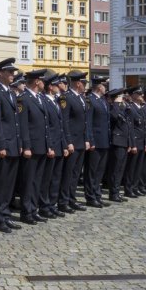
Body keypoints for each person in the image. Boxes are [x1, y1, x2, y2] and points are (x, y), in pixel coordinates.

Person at [0, 59, 21, 233]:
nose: (12, 75)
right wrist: (0, 144)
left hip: (14, 144)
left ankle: (6, 214)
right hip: (4, 145)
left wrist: (19, 143)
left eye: (12, 72)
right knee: (0, 183)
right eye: (9, 72)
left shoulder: (11, 93)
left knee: (9, 184)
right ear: (0, 73)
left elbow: (15, 122)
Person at [18, 69, 51, 224]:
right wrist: (26, 146)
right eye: (43, 80)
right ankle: (26, 212)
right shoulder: (24, 99)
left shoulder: (40, 99)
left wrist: (48, 145)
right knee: (28, 181)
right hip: (31, 146)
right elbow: (23, 125)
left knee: (37, 180)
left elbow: (45, 126)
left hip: (41, 145)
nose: (45, 83)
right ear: (37, 81)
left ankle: (34, 208)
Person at [58, 70, 88, 214]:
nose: (85, 85)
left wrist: (86, 139)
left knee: (76, 173)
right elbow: (64, 122)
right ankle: (63, 201)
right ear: (78, 83)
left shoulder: (81, 98)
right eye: (84, 83)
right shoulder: (66, 97)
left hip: (81, 141)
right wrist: (68, 141)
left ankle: (71, 198)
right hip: (72, 142)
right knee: (68, 173)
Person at [39, 73, 68, 218]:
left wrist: (64, 145)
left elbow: (60, 126)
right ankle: (44, 206)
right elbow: (47, 127)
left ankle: (52, 203)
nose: (59, 87)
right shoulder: (44, 101)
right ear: (50, 87)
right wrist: (49, 146)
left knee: (56, 177)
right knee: (47, 178)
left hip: (59, 145)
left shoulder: (55, 101)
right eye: (56, 85)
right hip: (51, 145)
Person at [84, 76, 111, 208]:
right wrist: (90, 140)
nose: (105, 87)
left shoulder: (103, 101)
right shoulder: (90, 100)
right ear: (99, 87)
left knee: (100, 171)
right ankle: (90, 196)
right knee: (92, 171)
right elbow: (88, 122)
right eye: (104, 85)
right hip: (95, 140)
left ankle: (97, 194)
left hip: (104, 141)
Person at [123, 86, 146, 197]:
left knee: (139, 167)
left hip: (142, 142)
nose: (141, 96)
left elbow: (145, 128)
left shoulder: (141, 108)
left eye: (141, 94)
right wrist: (132, 144)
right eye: (139, 94)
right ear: (133, 95)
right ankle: (129, 189)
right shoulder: (130, 108)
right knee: (131, 167)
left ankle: (135, 186)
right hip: (135, 142)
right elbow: (131, 128)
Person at [107, 89, 132, 202]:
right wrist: (116, 102)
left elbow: (127, 126)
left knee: (120, 169)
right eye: (120, 97)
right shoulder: (113, 107)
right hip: (117, 142)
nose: (123, 99)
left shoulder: (123, 108)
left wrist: (130, 143)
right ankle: (113, 193)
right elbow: (115, 116)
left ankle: (116, 192)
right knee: (115, 169)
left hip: (123, 142)